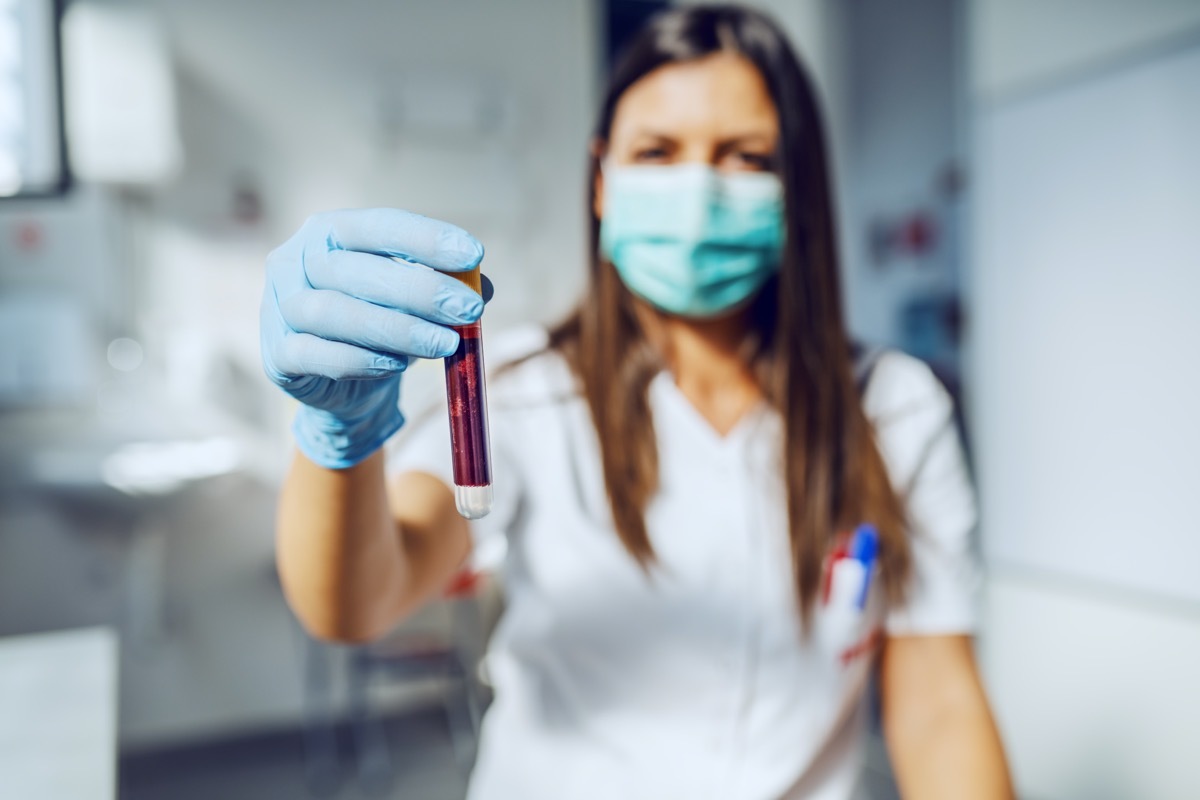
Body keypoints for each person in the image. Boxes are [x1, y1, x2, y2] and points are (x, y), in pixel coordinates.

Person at [260, 5, 1013, 798]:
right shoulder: (523, 389)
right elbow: (357, 603)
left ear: (799, 187)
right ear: (601, 180)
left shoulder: (893, 408)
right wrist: (337, 437)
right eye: (657, 152)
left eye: (745, 157)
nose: (697, 190)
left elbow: (937, 703)